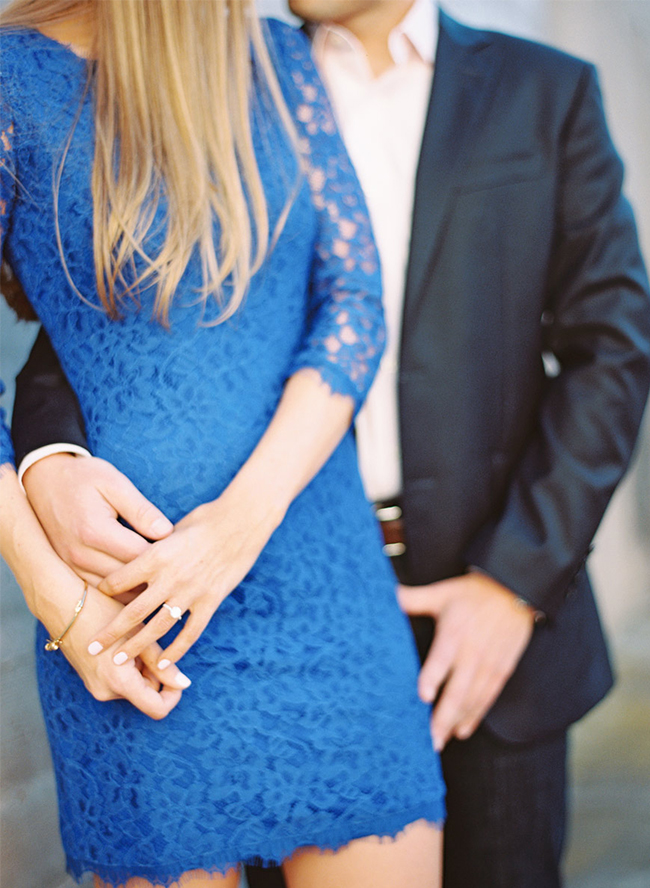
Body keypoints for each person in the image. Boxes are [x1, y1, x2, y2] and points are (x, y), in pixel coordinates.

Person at [7, 1, 650, 886]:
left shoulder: (542, 90)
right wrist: (47, 461)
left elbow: (611, 351)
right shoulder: (233, 65)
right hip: (190, 599)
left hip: (477, 595)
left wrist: (515, 581)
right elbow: (93, 324)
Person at [0, 1, 447, 886]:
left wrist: (242, 522)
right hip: (131, 616)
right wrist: (69, 612)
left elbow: (351, 307)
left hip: (324, 589)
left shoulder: (277, 57)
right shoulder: (13, 80)